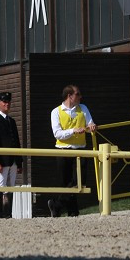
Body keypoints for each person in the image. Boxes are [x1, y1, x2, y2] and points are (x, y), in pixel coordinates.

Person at [48, 85, 96, 218]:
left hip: (80, 150)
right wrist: (73, 130)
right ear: (70, 96)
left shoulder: (83, 108)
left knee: (78, 182)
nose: (81, 97)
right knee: (65, 182)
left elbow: (90, 122)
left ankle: (56, 205)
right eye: (78, 94)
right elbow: (57, 134)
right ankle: (72, 211)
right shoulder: (55, 112)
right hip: (63, 151)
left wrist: (91, 126)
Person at [0, 91, 22, 218]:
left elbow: (16, 141)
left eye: (8, 102)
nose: (7, 104)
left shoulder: (11, 121)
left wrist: (19, 161)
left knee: (11, 187)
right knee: (0, 186)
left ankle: (8, 213)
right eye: (4, 102)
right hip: (2, 159)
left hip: (12, 159)